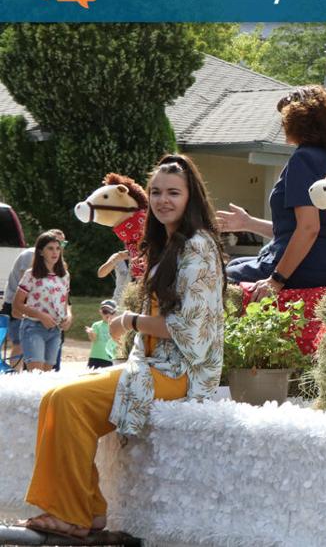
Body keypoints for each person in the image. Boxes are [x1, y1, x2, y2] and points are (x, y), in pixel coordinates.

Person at [21, 154, 225, 539]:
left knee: (68, 401)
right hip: (151, 364)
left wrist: (129, 321)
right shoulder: (168, 243)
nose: (163, 200)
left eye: (174, 193)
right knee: (54, 398)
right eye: (156, 192)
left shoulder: (197, 247)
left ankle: (73, 515)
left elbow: (190, 329)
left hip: (180, 372)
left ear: (191, 197)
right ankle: (89, 511)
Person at [219, 85, 326, 300]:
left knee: (221, 275)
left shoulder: (304, 159)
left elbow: (309, 228)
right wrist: (247, 223)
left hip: (305, 270)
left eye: (284, 117)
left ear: (297, 119)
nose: (281, 124)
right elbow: (297, 230)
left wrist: (276, 280)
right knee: (237, 263)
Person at [3, 229, 66, 365]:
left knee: (48, 374)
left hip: (55, 330)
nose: (55, 252)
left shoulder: (65, 275)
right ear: (41, 252)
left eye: (58, 248)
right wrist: (41, 316)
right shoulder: (31, 274)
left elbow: (64, 302)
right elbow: (17, 304)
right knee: (36, 372)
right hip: (33, 327)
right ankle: (13, 376)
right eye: (50, 248)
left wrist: (67, 317)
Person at [84, 300, 117, 369]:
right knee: (93, 375)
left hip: (110, 358)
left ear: (115, 313)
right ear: (100, 312)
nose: (107, 314)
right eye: (105, 312)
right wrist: (91, 333)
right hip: (96, 356)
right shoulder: (96, 325)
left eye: (110, 312)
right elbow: (93, 339)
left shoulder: (117, 326)